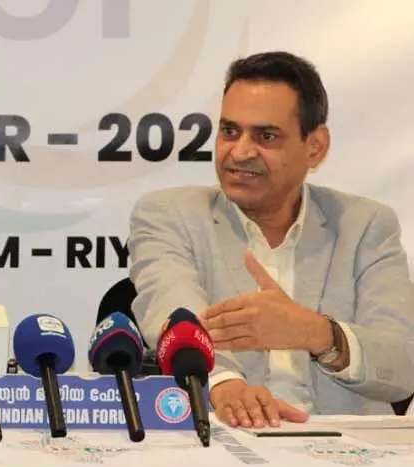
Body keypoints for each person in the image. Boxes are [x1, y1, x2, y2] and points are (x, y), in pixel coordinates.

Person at [127, 51, 414, 428]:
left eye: (266, 136)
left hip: (348, 445)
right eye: (230, 131)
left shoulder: (366, 226)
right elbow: (176, 317)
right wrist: (225, 386)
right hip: (223, 441)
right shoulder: (170, 215)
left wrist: (316, 333)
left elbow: (402, 364)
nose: (240, 152)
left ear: (315, 146)